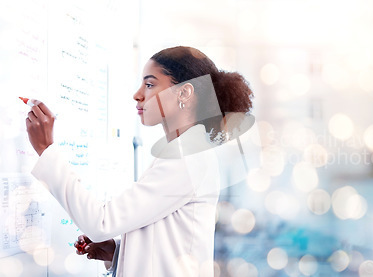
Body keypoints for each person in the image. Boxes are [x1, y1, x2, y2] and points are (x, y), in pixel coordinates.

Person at [25, 46, 254, 276]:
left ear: (184, 93)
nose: (138, 94)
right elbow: (170, 240)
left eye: (150, 84)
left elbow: (101, 222)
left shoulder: (186, 158)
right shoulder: (186, 152)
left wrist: (46, 150)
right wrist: (117, 251)